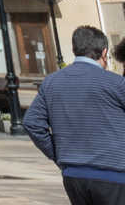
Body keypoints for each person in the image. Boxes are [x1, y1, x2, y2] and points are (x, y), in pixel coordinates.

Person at [22, 24, 125, 203]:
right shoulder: (116, 83)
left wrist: (59, 154)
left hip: (74, 175)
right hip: (114, 173)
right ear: (104, 52)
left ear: (75, 49)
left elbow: (32, 123)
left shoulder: (51, 82)